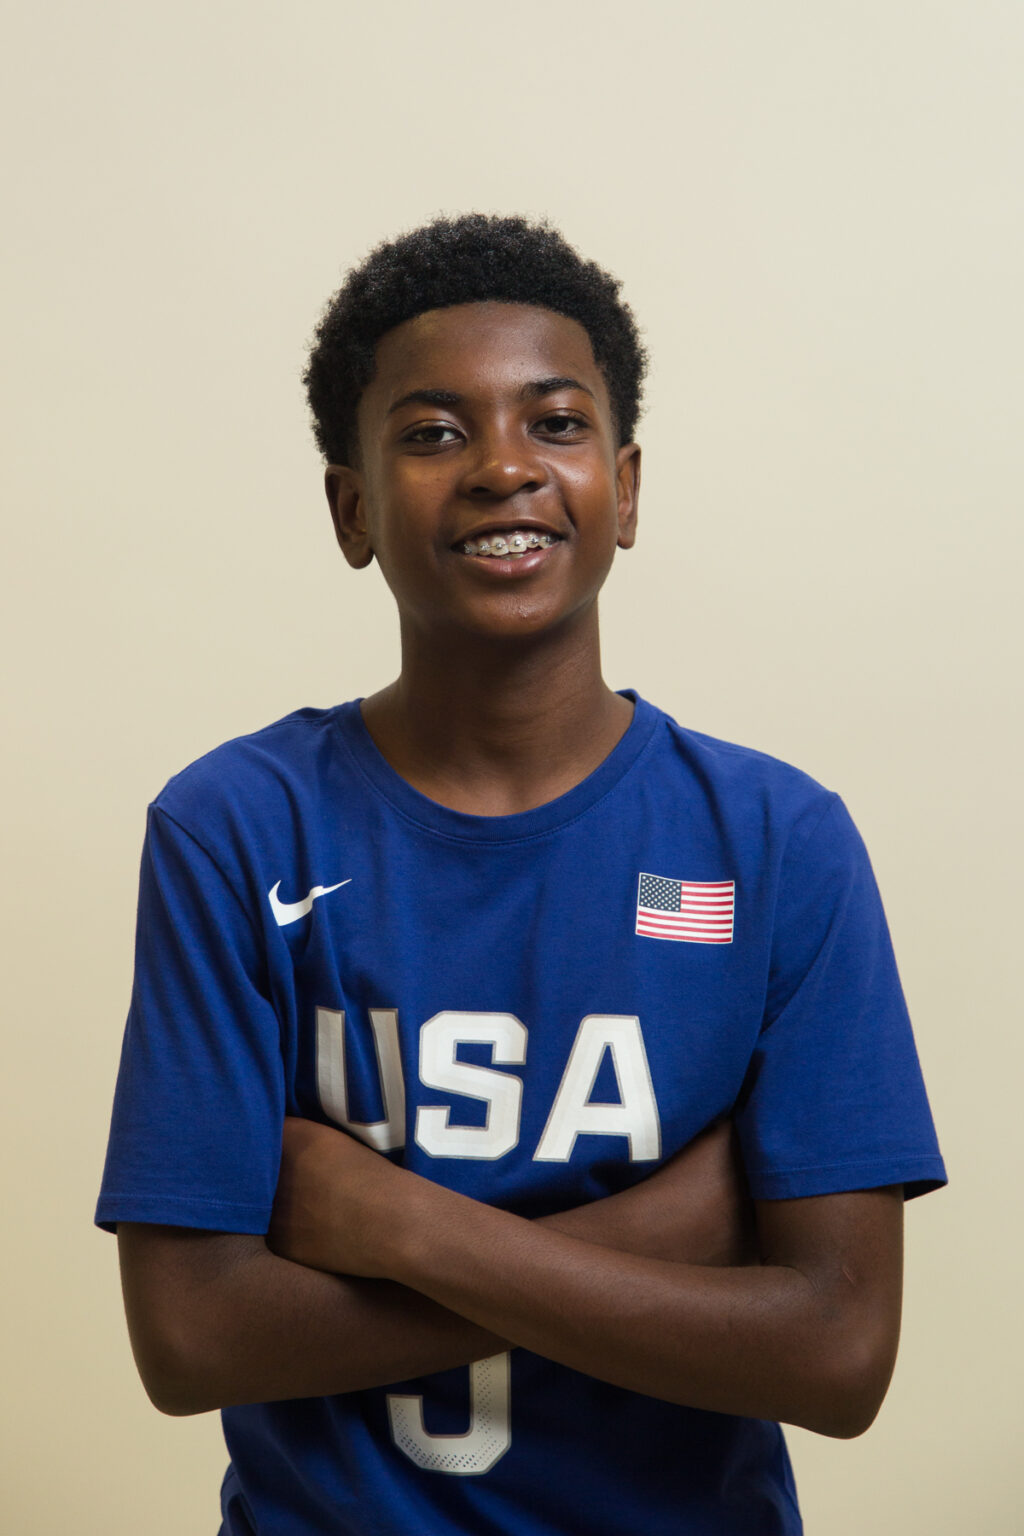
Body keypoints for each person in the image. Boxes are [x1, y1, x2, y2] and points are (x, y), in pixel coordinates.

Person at [96, 214, 946, 1536]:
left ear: (627, 483)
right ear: (352, 505)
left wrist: (399, 1225)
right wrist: (665, 1235)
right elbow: (193, 1339)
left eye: (554, 424)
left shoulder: (779, 838)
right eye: (434, 433)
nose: (503, 468)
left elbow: (839, 1356)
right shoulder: (238, 826)